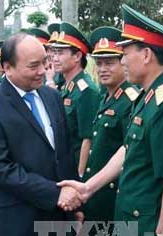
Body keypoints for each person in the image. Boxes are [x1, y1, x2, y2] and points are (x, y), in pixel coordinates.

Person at [58, 4, 163, 236]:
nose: (122, 61)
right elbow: (128, 148)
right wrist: (88, 188)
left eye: (126, 53)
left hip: (147, 225)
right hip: (129, 217)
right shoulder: (148, 95)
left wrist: (162, 232)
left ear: (146, 54)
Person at [0, 33, 81, 236]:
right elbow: (1, 170)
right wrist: (56, 194)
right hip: (15, 221)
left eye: (44, 62)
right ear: (7, 67)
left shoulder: (52, 96)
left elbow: (65, 154)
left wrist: (75, 204)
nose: (42, 71)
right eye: (33, 66)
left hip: (57, 217)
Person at [81, 26, 139, 223]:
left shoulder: (130, 100)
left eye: (109, 63)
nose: (103, 69)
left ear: (123, 63)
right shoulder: (104, 97)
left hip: (113, 193)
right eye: (99, 63)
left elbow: (130, 152)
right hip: (96, 188)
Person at [52, 22, 101, 177]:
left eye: (60, 53)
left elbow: (88, 138)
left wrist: (80, 176)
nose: (55, 58)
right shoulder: (66, 86)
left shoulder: (86, 90)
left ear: (77, 56)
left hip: (75, 168)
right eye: (54, 53)